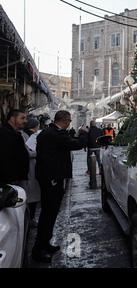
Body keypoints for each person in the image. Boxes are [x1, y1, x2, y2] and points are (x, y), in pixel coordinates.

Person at [32, 110, 88, 263]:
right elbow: (76, 144)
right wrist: (83, 133)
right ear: (64, 120)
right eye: (69, 121)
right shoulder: (54, 134)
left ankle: (45, 244)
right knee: (48, 214)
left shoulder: (50, 132)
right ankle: (38, 250)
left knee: (50, 214)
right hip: (51, 179)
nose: (70, 123)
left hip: (50, 178)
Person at [0, 109, 29, 187]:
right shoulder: (5, 134)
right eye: (22, 118)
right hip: (9, 180)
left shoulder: (14, 134)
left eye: (26, 118)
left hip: (15, 178)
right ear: (13, 118)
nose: (25, 121)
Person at [23, 118, 42, 228]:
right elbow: (28, 153)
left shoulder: (27, 134)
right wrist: (39, 152)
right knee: (31, 196)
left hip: (32, 168)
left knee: (32, 195)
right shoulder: (27, 136)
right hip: (29, 168)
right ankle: (30, 219)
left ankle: (31, 218)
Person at [86, 120, 103, 185]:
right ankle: (100, 170)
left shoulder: (89, 130)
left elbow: (87, 139)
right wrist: (101, 145)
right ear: (95, 124)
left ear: (90, 124)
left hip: (91, 147)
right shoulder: (99, 130)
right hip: (98, 147)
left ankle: (89, 170)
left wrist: (85, 146)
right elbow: (101, 137)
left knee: (89, 159)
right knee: (98, 159)